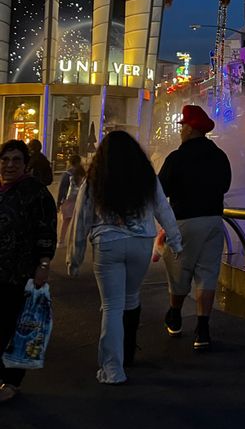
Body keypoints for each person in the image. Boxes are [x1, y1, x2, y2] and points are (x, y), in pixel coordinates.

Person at [67, 131, 182, 384]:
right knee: (130, 299)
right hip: (141, 242)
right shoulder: (146, 177)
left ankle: (112, 369)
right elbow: (163, 208)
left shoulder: (95, 179)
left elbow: (81, 219)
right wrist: (175, 241)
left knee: (111, 306)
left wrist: (73, 258)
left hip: (108, 244)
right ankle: (128, 351)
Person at [159, 104, 231, 351]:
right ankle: (202, 329)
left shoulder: (176, 158)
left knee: (180, 271)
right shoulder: (220, 156)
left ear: (189, 129)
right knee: (208, 273)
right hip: (213, 220)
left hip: (185, 221)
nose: (181, 131)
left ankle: (175, 313)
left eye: (183, 126)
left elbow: (161, 191)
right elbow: (225, 186)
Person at [0, 139, 57, 403]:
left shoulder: (35, 193)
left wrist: (43, 264)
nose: (9, 164)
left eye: (16, 160)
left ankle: (12, 381)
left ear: (25, 164)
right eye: (5, 159)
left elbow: (46, 230)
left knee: (16, 327)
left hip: (19, 272)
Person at [56, 154, 86, 244]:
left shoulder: (67, 174)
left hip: (68, 200)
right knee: (77, 222)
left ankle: (61, 240)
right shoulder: (82, 173)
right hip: (79, 199)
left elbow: (62, 189)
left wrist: (58, 202)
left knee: (65, 222)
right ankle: (75, 240)